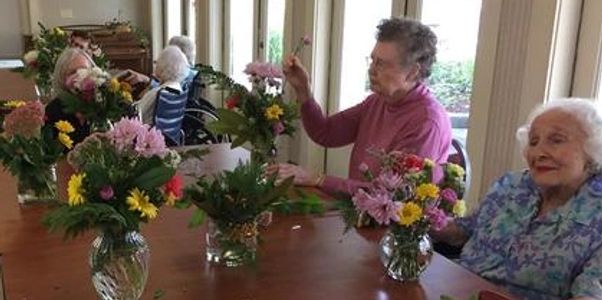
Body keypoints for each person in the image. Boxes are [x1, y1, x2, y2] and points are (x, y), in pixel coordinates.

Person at [432, 98, 602, 299]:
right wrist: (416, 216)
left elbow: (589, 295)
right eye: (533, 141)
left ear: (593, 150)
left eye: (556, 140)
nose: (539, 152)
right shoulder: (512, 185)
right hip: (458, 291)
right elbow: (464, 230)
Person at [272, 17, 451, 196]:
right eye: (372, 60)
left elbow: (391, 196)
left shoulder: (426, 121)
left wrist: (319, 179)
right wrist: (303, 90)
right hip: (360, 212)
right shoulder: (377, 101)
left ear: (413, 72)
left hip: (389, 220)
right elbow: (325, 132)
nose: (371, 70)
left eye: (381, 63)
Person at [134, 45, 190, 125]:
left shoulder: (157, 93)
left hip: (147, 133)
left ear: (163, 66)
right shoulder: (179, 89)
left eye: (157, 63)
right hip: (169, 135)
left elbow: (135, 113)